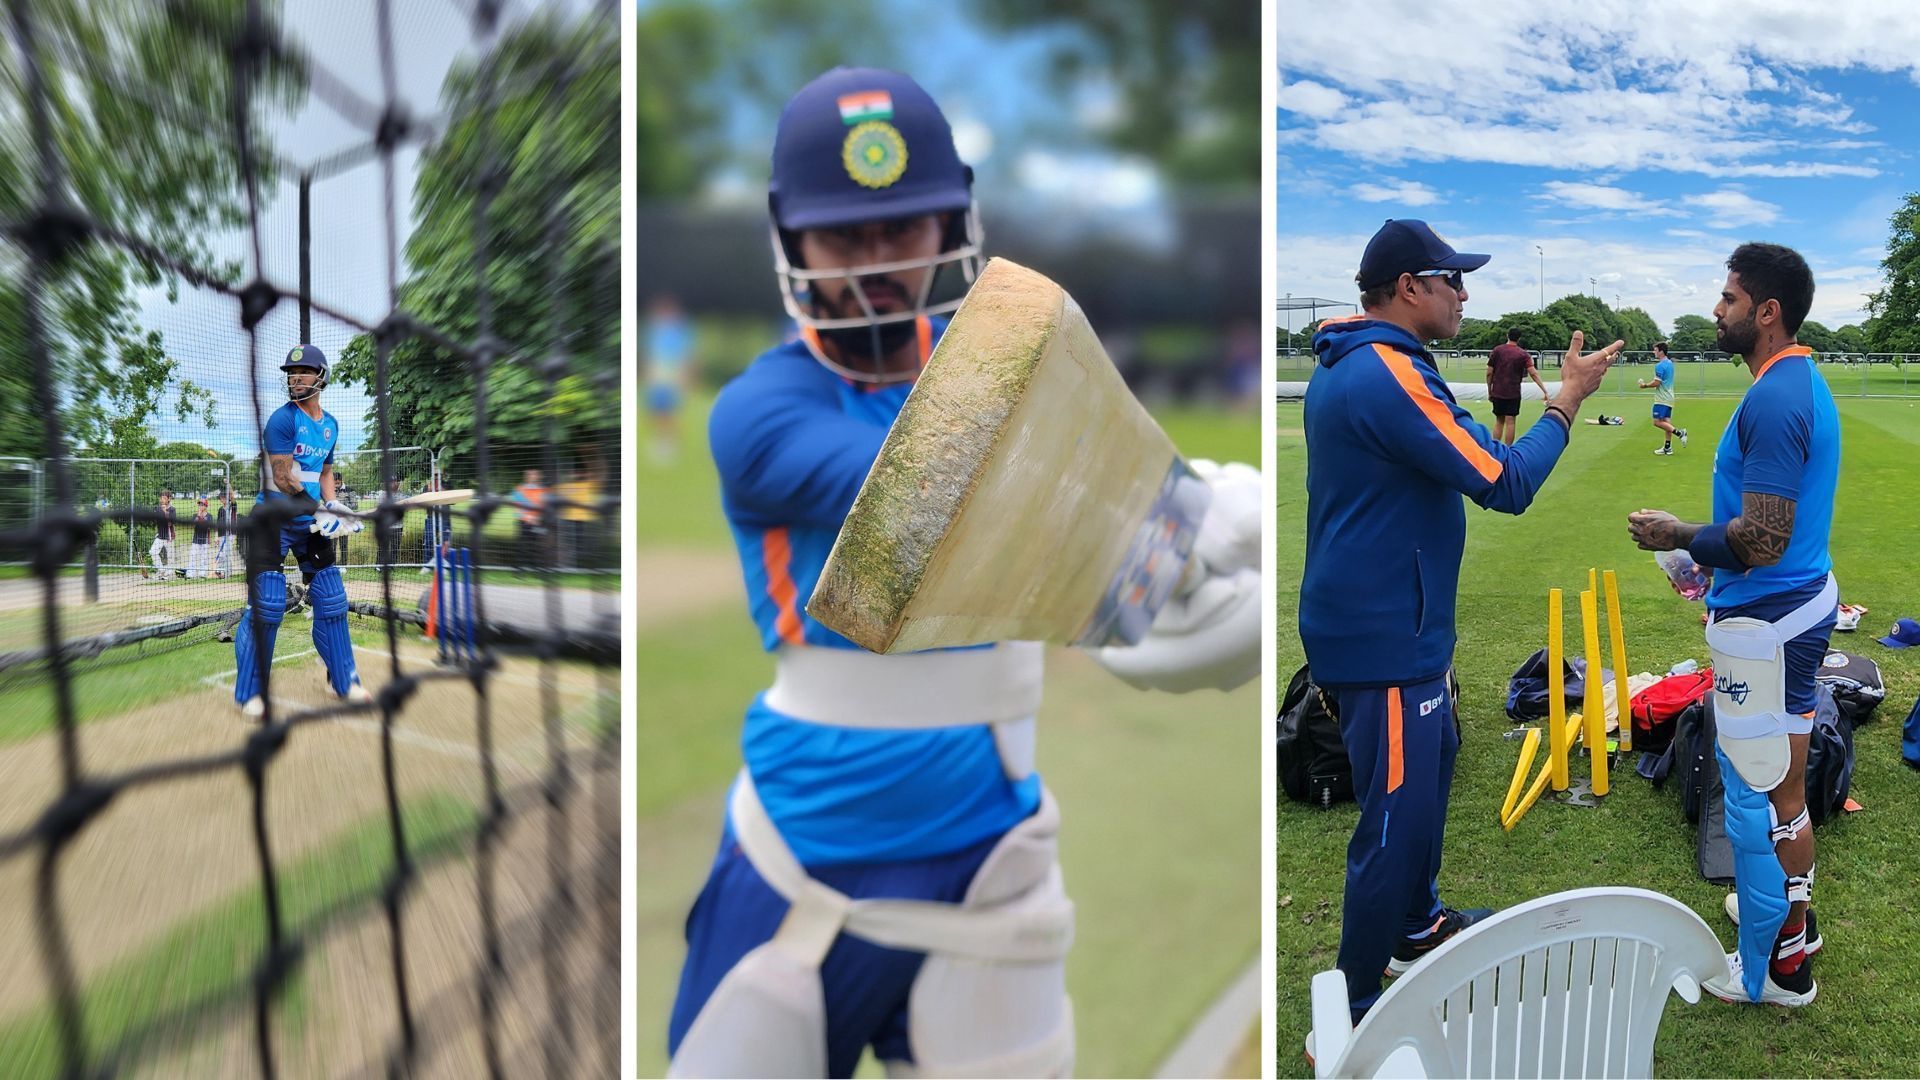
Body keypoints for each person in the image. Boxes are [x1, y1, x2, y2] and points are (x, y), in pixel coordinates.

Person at [665, 67, 1261, 1079]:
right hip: (804, 854)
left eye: (903, 229)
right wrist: (1181, 503)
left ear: (955, 217)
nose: (874, 266)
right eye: (845, 237)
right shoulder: (759, 413)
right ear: (789, 238)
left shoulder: (1015, 371)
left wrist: (1178, 570)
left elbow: (1103, 577)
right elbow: (945, 489)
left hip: (996, 852)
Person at [1300, 218, 1620, 1026]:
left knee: (1432, 770)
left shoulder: (1382, 362)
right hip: (1382, 638)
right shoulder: (1382, 372)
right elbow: (1503, 481)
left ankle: (1417, 925)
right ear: (1410, 287)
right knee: (1395, 821)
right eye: (1453, 278)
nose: (1465, 293)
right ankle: (1358, 1006)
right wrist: (1568, 404)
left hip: (1396, 627)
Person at [1628, 243, 1837, 1007]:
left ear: (1766, 311)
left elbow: (1763, 538)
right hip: (1781, 612)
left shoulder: (1780, 396)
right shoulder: (1787, 384)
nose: (1717, 309)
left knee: (1761, 793)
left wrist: (1679, 534)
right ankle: (1791, 922)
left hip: (1770, 626)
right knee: (1777, 786)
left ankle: (1775, 971)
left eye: (1727, 297)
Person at [231, 344, 371, 717]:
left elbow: (325, 472)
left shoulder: (331, 425)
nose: (295, 378)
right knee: (269, 603)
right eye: (291, 373)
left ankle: (344, 679)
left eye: (304, 371)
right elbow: (282, 477)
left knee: (332, 598)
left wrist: (335, 504)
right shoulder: (282, 419)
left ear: (321, 376)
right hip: (272, 522)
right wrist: (321, 508)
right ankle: (249, 691)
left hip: (309, 523)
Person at [645, 294, 696, 464]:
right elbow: (650, 355)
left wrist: (684, 376)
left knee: (670, 413)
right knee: (656, 412)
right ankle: (662, 441)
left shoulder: (678, 333)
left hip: (671, 377)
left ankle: (670, 445)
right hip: (657, 377)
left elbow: (685, 356)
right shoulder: (655, 332)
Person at [1485, 327, 1547, 445]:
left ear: (1507, 335)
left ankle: (1495, 448)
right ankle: (1508, 449)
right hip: (1513, 392)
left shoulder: (1497, 351)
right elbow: (1533, 373)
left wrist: (1490, 390)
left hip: (1498, 391)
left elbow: (1489, 373)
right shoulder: (1523, 354)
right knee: (1511, 422)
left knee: (1499, 420)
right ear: (1519, 338)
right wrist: (1544, 390)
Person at [1638, 341, 1689, 454]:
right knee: (1667, 423)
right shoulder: (1670, 363)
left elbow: (1657, 383)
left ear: (1661, 351)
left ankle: (1680, 433)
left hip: (1662, 398)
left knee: (1657, 422)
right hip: (1670, 397)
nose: (1654, 352)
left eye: (1655, 350)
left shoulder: (1660, 365)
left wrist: (1644, 385)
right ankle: (1667, 448)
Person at [510, 468, 549, 567]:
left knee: (537, 544)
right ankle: (519, 569)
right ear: (526, 477)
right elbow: (517, 507)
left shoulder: (542, 490)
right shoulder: (519, 489)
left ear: (538, 476)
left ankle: (536, 566)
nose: (532, 476)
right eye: (529, 475)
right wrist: (528, 518)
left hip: (537, 522)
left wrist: (538, 518)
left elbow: (544, 506)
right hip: (524, 522)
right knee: (522, 545)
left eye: (534, 474)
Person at [143, 490, 177, 580]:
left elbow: (171, 523)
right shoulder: (157, 508)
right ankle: (161, 570)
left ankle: (168, 574)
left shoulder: (172, 509)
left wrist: (165, 512)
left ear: (169, 499)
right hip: (160, 535)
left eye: (164, 498)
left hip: (169, 536)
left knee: (170, 556)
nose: (162, 499)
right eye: (161, 497)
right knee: (153, 552)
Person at [185, 495, 212, 579]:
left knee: (204, 557)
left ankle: (202, 573)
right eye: (200, 504)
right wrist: (198, 515)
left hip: (205, 540)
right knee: (192, 556)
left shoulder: (209, 516)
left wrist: (201, 517)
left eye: (203, 504)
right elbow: (193, 525)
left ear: (206, 506)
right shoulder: (194, 515)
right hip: (196, 539)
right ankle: (190, 573)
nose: (201, 506)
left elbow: (207, 527)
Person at [213, 487, 235, 578]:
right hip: (221, 534)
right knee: (222, 553)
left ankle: (227, 572)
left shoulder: (232, 506)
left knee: (226, 553)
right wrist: (216, 536)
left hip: (229, 534)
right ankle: (221, 571)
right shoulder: (220, 509)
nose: (222, 499)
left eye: (223, 497)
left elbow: (233, 497)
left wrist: (228, 484)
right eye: (221, 498)